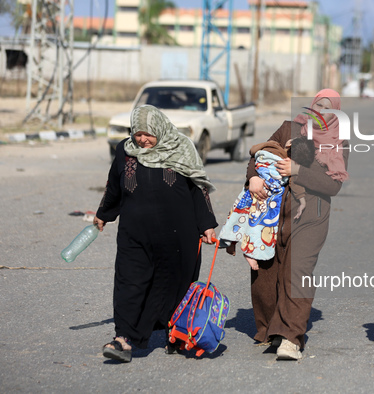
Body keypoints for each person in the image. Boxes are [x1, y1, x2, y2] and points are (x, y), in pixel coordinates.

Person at [94, 104, 218, 363]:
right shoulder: (125, 151)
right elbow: (114, 186)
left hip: (178, 235)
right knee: (129, 282)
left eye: (148, 134)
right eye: (137, 134)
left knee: (175, 284)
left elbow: (198, 188)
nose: (142, 139)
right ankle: (123, 339)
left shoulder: (181, 147)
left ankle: (176, 334)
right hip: (134, 234)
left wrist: (206, 224)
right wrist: (104, 213)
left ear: (160, 128)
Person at [247, 89, 349, 360]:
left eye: (330, 108)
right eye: (319, 105)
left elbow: (333, 185)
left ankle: (291, 338)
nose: (322, 111)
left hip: (312, 215)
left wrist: (298, 171)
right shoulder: (290, 127)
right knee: (267, 270)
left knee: (297, 270)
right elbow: (261, 155)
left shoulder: (339, 141)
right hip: (273, 211)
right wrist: (253, 179)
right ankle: (271, 329)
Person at [218, 136, 316, 271]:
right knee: (258, 227)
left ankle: (230, 240)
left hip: (249, 193)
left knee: (237, 216)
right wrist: (302, 200)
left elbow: (254, 150)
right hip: (267, 199)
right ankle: (251, 253)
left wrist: (261, 152)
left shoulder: (271, 147)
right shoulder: (288, 163)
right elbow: (295, 183)